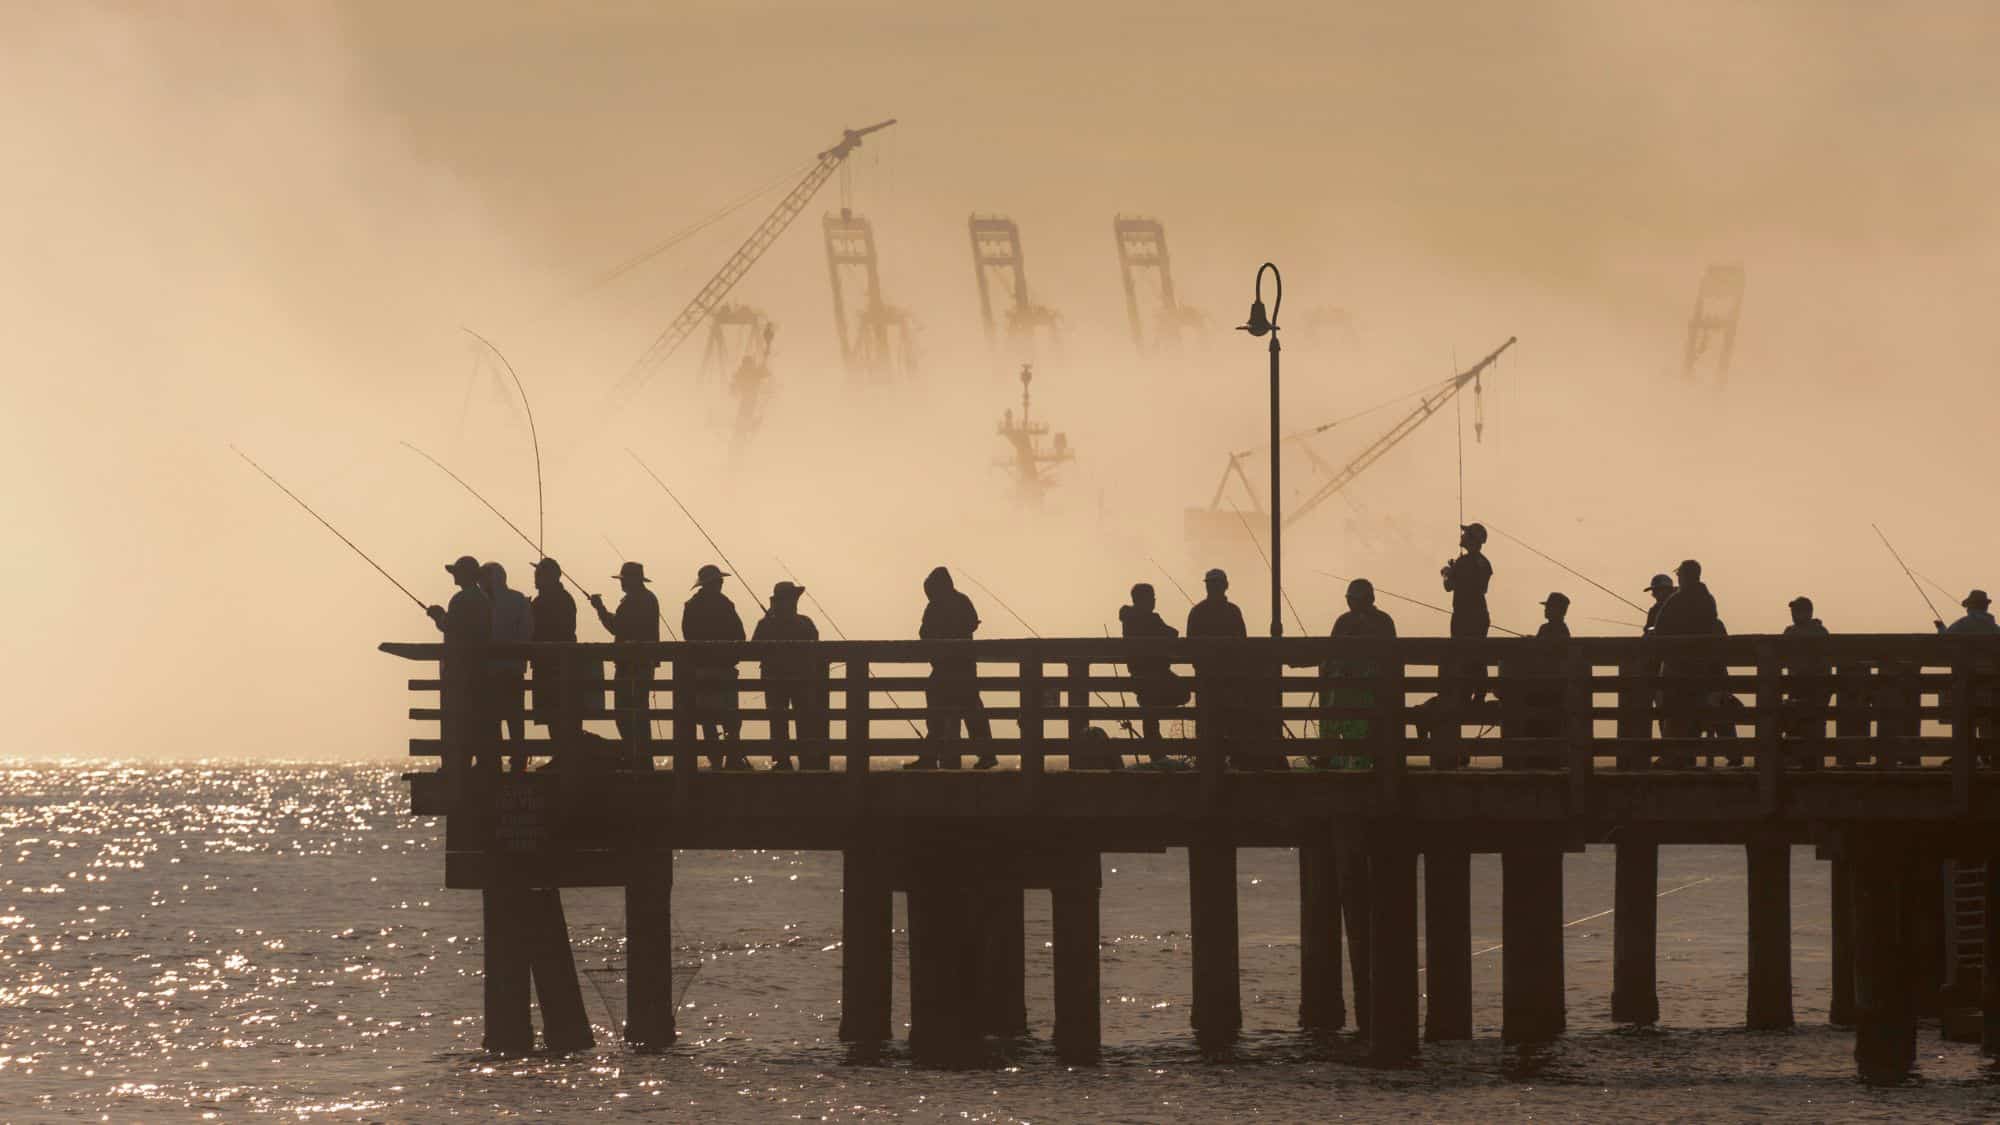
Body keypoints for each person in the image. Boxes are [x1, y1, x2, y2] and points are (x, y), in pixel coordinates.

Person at [1187, 568, 1280, 769]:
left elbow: (1191, 648)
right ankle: (1232, 761)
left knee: (1208, 723)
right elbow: (1243, 645)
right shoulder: (1232, 611)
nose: (1213, 588)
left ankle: (1208, 763)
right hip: (1227, 679)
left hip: (1208, 678)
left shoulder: (1198, 612)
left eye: (1213, 584)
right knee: (1230, 721)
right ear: (1225, 586)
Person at [1316, 578, 1396, 770]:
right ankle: (1334, 755)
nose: (1350, 603)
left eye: (1352, 599)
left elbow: (1330, 654)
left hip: (1368, 688)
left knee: (1337, 708)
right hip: (1357, 686)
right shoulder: (1383, 620)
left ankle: (1330, 755)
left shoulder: (1353, 621)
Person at [918, 566, 992, 769]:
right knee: (972, 709)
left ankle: (933, 756)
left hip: (944, 668)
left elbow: (924, 633)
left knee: (937, 710)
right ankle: (986, 754)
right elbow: (972, 623)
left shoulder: (934, 607)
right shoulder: (963, 601)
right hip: (965, 666)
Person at [590, 561, 660, 769]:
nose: (621, 584)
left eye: (623, 580)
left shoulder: (632, 601)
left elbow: (616, 627)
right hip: (644, 665)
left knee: (624, 714)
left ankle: (635, 758)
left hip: (629, 666)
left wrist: (600, 609)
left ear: (630, 581)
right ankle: (642, 759)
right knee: (640, 714)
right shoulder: (649, 598)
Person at [428, 555, 495, 772]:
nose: (454, 576)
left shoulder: (460, 600)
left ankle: (459, 764)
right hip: (481, 667)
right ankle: (484, 762)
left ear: (464, 575)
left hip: (462, 669)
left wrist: (438, 616)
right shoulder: (483, 598)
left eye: (456, 572)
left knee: (460, 718)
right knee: (479, 718)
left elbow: (451, 626)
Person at [1651, 559, 1720, 763]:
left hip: (1677, 666)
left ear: (1685, 576)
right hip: (1702, 667)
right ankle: (1689, 756)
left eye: (1679, 574)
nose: (1678, 578)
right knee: (1695, 712)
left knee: (1673, 712)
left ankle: (1672, 756)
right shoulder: (1708, 600)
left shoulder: (1677, 600)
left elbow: (1660, 628)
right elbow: (1713, 626)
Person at [1436, 523, 1493, 765]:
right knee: (1477, 657)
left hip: (1463, 617)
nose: (1462, 536)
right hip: (1480, 615)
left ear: (1471, 539)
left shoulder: (1464, 563)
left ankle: (1462, 695)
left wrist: (1447, 571)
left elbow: (1449, 586)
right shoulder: (1484, 563)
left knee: (1460, 658)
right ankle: (1478, 695)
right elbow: (1482, 588)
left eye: (1465, 534)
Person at [683, 564, 749, 770]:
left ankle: (715, 761)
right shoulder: (726, 605)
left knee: (707, 718)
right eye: (719, 581)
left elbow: (688, 636)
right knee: (730, 718)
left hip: (701, 669)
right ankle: (732, 758)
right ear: (715, 583)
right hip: (725, 669)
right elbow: (740, 636)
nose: (721, 584)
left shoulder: (691, 605)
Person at [752, 581, 822, 771]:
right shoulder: (805, 623)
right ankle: (805, 761)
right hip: (801, 678)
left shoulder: (766, 623)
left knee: (779, 721)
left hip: (775, 679)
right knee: (802, 720)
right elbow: (816, 642)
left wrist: (770, 620)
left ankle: (782, 761)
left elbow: (753, 648)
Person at [1119, 583, 1189, 761]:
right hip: (1157, 673)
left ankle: (1155, 755)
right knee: (1184, 693)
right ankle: (1157, 755)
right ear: (1144, 599)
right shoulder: (1151, 619)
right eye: (1152, 597)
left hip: (1138, 674)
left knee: (1149, 712)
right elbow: (1172, 633)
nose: (1154, 601)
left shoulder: (1128, 620)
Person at [481, 562, 535, 771]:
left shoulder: (485, 602)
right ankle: (518, 760)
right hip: (513, 669)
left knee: (492, 719)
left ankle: (494, 761)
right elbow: (527, 632)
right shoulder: (519, 600)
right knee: (515, 718)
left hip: (492, 670)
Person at [1780, 595, 1832, 754]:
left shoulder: (1792, 633)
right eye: (1793, 611)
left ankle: (1793, 757)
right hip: (1814, 691)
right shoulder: (1821, 632)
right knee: (1798, 715)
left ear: (1808, 613)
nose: (1793, 614)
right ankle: (1804, 757)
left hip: (1808, 690)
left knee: (1791, 713)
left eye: (1797, 611)